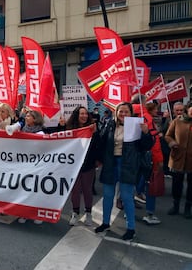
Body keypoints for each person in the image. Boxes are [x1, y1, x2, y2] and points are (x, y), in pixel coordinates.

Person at [95, 102, 154, 241]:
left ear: (131, 113)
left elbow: (146, 146)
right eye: (120, 111)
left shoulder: (137, 125)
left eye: (126, 112)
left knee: (127, 197)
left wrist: (146, 133)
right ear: (116, 112)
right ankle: (105, 223)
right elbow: (102, 142)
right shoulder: (110, 124)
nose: (123, 114)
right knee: (108, 195)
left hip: (127, 164)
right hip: (111, 163)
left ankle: (131, 228)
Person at [132, 95, 164, 225]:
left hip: (131, 156)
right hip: (148, 156)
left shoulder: (126, 114)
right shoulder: (146, 117)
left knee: (130, 184)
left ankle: (128, 211)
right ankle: (149, 214)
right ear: (143, 103)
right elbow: (153, 142)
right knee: (150, 184)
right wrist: (158, 159)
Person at [66, 106, 99, 227]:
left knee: (87, 190)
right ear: (76, 115)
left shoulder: (92, 128)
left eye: (86, 114)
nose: (84, 116)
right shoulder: (69, 128)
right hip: (73, 164)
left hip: (88, 164)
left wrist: (95, 133)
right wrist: (60, 126)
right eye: (81, 114)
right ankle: (75, 213)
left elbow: (97, 145)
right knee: (75, 190)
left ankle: (88, 213)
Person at [16, 109, 45, 225]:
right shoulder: (22, 129)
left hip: (36, 166)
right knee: (24, 190)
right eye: (26, 116)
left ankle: (37, 213)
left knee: (35, 190)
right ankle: (25, 213)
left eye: (29, 116)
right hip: (24, 164)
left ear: (35, 119)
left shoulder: (41, 134)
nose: (26, 118)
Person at [165, 100, 192, 219]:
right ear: (188, 109)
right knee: (177, 183)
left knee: (191, 185)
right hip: (178, 157)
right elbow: (168, 135)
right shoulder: (177, 121)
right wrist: (172, 143)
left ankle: (188, 208)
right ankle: (175, 205)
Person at [160, 102, 185, 176]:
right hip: (169, 145)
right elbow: (163, 131)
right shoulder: (169, 119)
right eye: (177, 110)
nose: (179, 112)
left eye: (181, 110)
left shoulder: (186, 119)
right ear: (173, 111)